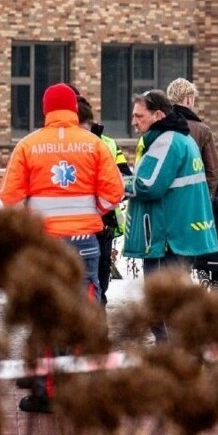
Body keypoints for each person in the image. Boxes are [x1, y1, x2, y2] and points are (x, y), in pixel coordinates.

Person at [0, 83, 126, 304]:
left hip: (43, 238)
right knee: (86, 301)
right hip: (84, 237)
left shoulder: (27, 145)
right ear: (74, 108)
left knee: (46, 302)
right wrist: (93, 210)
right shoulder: (94, 144)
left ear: (45, 110)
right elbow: (115, 191)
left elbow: (10, 196)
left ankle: (50, 338)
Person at [123, 89, 218, 278]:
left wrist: (116, 182)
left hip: (165, 237)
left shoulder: (165, 142)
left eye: (139, 116)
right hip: (179, 235)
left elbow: (148, 185)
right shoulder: (183, 138)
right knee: (178, 296)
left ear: (158, 115)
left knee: (163, 300)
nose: (133, 122)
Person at [77, 94, 131, 305]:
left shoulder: (107, 143)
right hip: (77, 224)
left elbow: (125, 179)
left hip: (103, 224)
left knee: (99, 281)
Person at [164, 78, 218, 196]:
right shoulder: (202, 130)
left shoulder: (159, 125)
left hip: (165, 199)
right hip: (193, 198)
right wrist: (205, 200)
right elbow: (212, 171)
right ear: (189, 99)